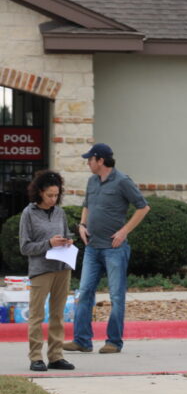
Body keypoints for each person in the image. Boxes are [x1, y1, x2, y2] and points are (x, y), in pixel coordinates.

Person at [65, 143, 150, 355]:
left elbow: (143, 207)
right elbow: (87, 205)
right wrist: (82, 225)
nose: (88, 163)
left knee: (116, 296)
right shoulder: (92, 181)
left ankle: (114, 341)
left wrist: (124, 232)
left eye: (90, 159)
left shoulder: (122, 181)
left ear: (100, 160)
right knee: (84, 292)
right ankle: (82, 340)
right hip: (92, 248)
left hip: (114, 249)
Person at [19, 170, 76, 372]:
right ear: (40, 192)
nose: (53, 199)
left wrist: (68, 241)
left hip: (62, 268)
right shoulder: (28, 213)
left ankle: (56, 356)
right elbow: (25, 247)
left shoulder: (59, 212)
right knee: (36, 315)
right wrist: (49, 244)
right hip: (41, 270)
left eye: (56, 195)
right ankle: (36, 357)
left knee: (58, 315)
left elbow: (66, 233)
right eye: (49, 195)